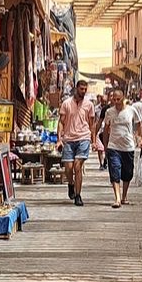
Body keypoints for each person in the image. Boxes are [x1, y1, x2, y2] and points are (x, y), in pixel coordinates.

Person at [100, 87, 142, 209]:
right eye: (114, 100)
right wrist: (105, 146)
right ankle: (117, 198)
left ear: (123, 98)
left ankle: (124, 196)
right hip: (113, 146)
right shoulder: (109, 112)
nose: (116, 102)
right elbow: (105, 130)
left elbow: (139, 124)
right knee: (115, 171)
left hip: (128, 147)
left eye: (118, 99)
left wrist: (141, 139)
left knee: (127, 173)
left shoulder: (131, 110)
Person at [58, 78, 98, 206]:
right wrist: (59, 138)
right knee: (68, 168)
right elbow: (61, 121)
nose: (84, 91)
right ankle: (71, 184)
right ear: (76, 88)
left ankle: (78, 195)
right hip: (69, 139)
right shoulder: (66, 103)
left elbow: (92, 124)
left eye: (85, 89)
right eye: (82, 89)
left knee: (77, 166)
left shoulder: (89, 105)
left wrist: (94, 141)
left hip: (83, 138)